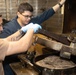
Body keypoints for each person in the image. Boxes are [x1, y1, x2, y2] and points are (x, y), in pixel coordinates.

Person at [0, 0, 66, 75]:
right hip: (9, 65)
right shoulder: (8, 28)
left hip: (23, 62)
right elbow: (5, 46)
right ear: (18, 14)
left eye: (30, 16)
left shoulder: (30, 22)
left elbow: (45, 15)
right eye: (26, 16)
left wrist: (60, 4)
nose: (28, 19)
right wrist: (30, 30)